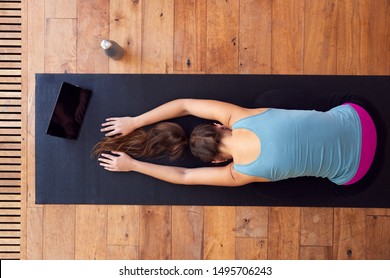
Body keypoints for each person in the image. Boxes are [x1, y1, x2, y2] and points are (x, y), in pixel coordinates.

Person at [93, 90, 378, 188]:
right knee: (267, 99)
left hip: (359, 172)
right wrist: (136, 121)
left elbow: (183, 176)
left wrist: (134, 165)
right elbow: (185, 105)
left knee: (267, 189)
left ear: (217, 161)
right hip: (363, 117)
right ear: (219, 127)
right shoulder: (239, 116)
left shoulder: (237, 173)